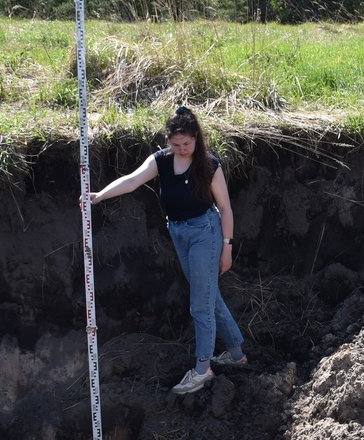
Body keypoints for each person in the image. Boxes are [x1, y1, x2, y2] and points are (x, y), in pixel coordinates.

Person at [89, 106, 246, 395]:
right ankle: (237, 355)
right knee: (209, 298)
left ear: (196, 138)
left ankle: (203, 370)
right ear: (168, 141)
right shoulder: (161, 161)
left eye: (187, 143)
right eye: (176, 144)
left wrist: (227, 248)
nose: (182, 149)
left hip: (206, 233)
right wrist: (99, 196)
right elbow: (132, 180)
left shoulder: (209, 165)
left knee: (200, 305)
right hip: (179, 234)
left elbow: (225, 209)